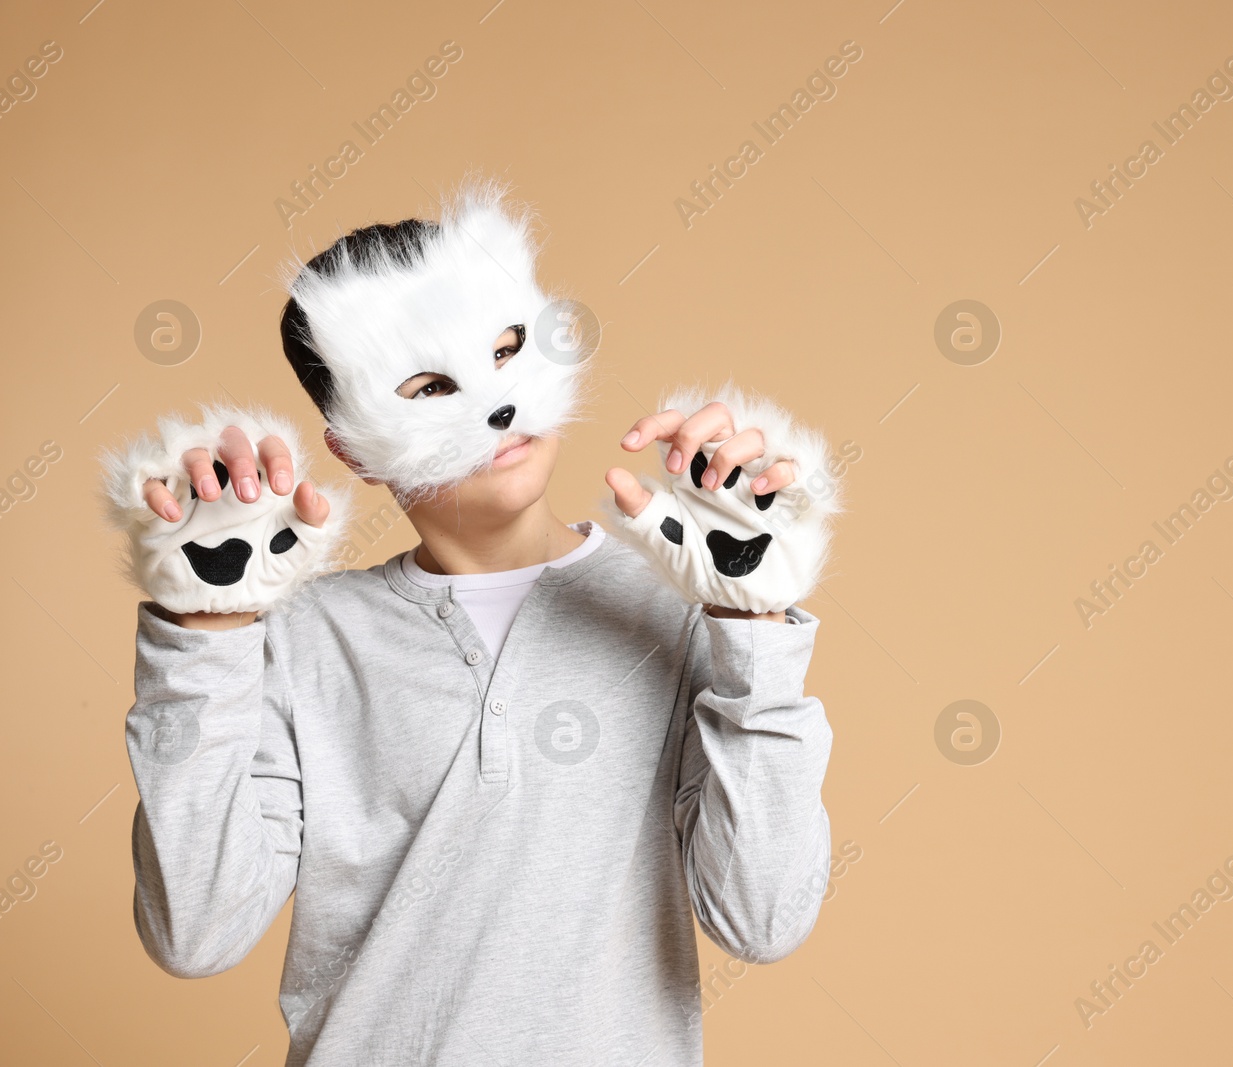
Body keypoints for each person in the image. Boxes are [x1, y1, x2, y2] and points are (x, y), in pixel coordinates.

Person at [105, 181, 845, 1065]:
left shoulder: (671, 614)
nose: (493, 406)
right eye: (426, 385)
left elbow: (761, 918)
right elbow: (197, 930)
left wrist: (749, 617)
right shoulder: (304, 640)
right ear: (350, 445)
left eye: (507, 350)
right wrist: (204, 626)